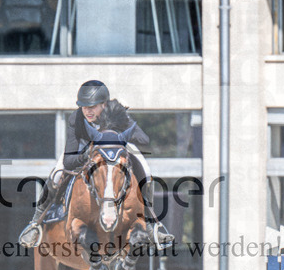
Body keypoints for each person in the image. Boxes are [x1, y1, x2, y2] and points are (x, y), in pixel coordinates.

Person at [18, 80, 174, 250]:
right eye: (84, 107)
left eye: (92, 106)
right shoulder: (76, 119)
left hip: (115, 148)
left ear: (104, 105)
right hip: (84, 152)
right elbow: (69, 161)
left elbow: (144, 139)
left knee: (146, 169)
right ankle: (35, 223)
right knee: (56, 173)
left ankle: (151, 225)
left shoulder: (116, 112)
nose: (88, 111)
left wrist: (121, 131)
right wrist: (85, 156)